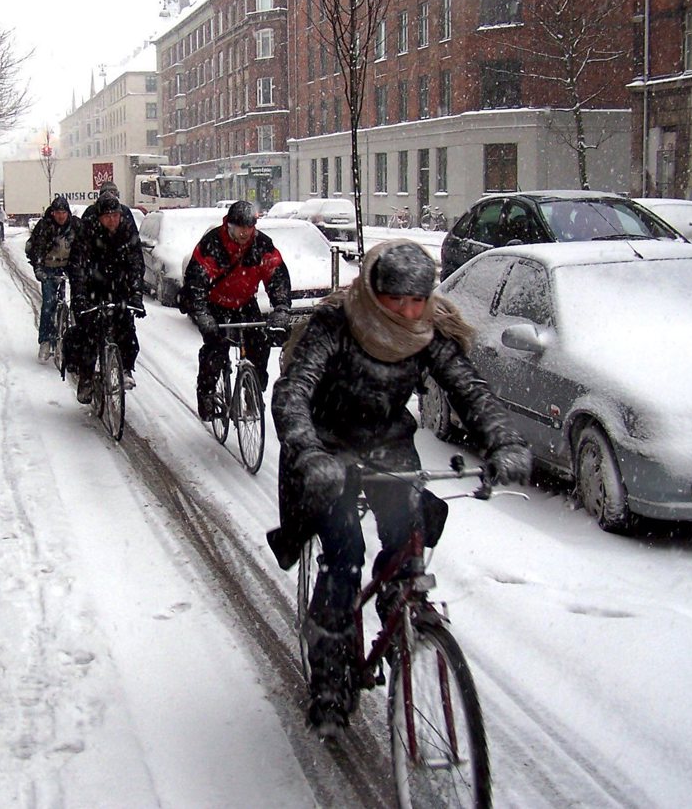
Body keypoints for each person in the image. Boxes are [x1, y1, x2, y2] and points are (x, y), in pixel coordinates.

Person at [268, 240, 531, 735]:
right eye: (397, 300)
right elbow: (294, 392)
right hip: (327, 448)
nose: (408, 312)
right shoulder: (337, 326)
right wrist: (308, 451)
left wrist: (503, 440)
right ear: (373, 292)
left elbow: (468, 389)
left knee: (409, 538)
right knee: (344, 554)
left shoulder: (426, 332)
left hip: (389, 447)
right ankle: (329, 681)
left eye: (418, 300)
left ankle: (400, 610)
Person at [181, 200, 292, 421]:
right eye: (239, 227)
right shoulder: (212, 244)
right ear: (229, 225)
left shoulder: (262, 245)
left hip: (244, 302)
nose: (244, 233)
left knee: (259, 345)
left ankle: (253, 390)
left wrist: (281, 307)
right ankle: (207, 393)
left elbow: (276, 275)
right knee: (216, 349)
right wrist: (202, 313)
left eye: (249, 227)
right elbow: (196, 281)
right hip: (215, 304)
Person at [67, 189, 145, 403]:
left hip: (119, 287)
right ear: (100, 217)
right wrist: (80, 296)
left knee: (126, 329)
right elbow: (78, 266)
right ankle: (86, 378)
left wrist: (136, 293)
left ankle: (127, 368)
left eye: (116, 215)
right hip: (92, 287)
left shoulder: (127, 230)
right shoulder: (87, 233)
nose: (113, 220)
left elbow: (135, 262)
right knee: (88, 333)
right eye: (108, 216)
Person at [26, 196, 80, 363]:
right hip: (49, 266)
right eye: (58, 212)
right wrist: (39, 269)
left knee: (80, 301)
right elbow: (37, 249)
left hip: (69, 265)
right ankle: (45, 340)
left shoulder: (75, 226)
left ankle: (77, 340)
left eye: (63, 212)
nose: (61, 216)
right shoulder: (45, 227)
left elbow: (83, 247)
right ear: (53, 213)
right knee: (49, 303)